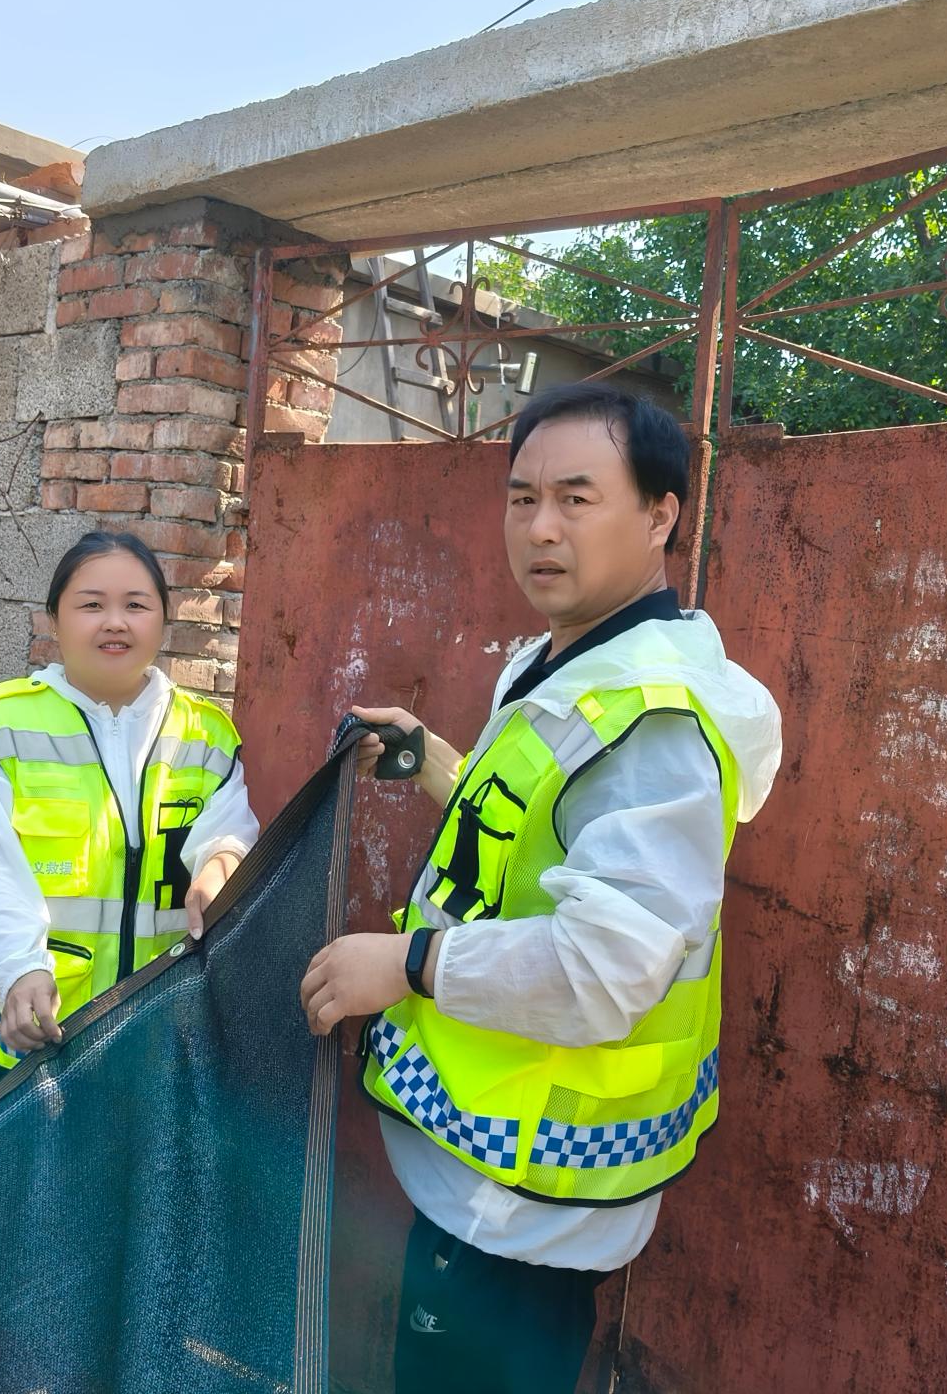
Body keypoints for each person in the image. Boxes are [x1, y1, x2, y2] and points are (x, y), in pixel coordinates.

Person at [299, 384, 782, 1393]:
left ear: (660, 515)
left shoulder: (652, 720)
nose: (541, 528)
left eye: (576, 498)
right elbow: (539, 831)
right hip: (490, 1165)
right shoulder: (562, 665)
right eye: (522, 499)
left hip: (529, 1198)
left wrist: (406, 964)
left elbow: (605, 967)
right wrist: (435, 761)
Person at [0, 529, 259, 1107]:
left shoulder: (206, 734)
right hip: (37, 1024)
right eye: (91, 605)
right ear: (55, 619)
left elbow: (228, 826)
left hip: (156, 1034)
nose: (115, 622)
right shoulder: (4, 723)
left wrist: (221, 861)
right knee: (19, 1168)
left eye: (136, 605)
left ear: (163, 620)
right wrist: (17, 969)